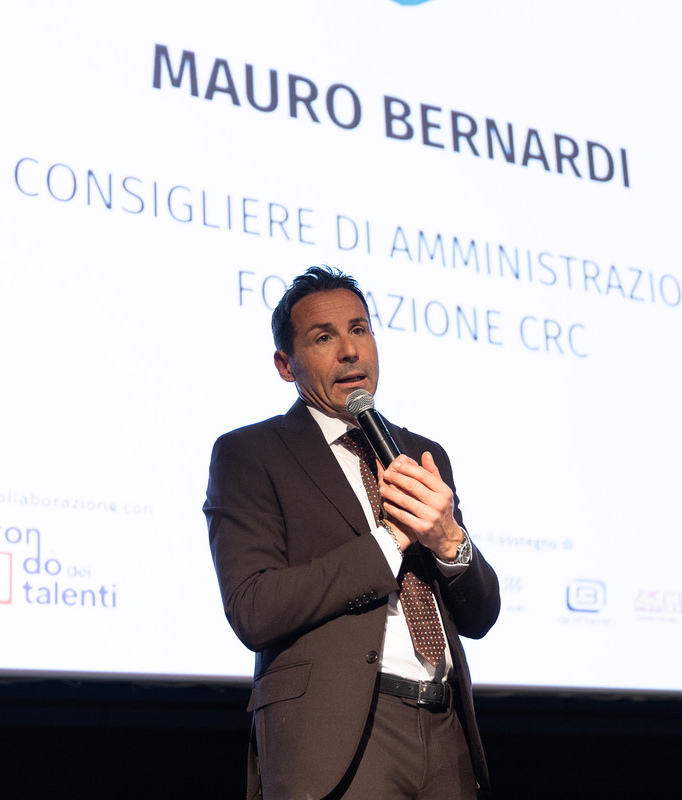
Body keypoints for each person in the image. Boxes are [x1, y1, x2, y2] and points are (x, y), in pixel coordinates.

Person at [205, 266, 501, 799]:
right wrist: (390, 541)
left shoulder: (420, 453)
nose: (349, 351)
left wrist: (448, 541)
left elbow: (481, 615)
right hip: (338, 739)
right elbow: (254, 608)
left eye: (359, 329)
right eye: (324, 338)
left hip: (446, 734)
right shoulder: (251, 454)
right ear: (285, 365)